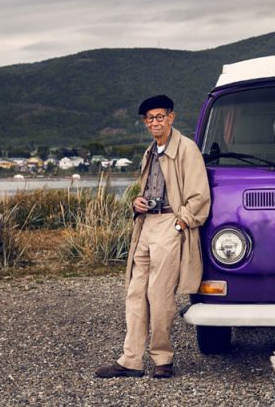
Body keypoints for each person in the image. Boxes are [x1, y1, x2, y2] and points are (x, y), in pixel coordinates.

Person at [95, 94, 211, 379]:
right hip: (146, 225)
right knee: (135, 294)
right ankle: (131, 360)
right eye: (150, 119)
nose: (155, 122)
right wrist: (137, 201)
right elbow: (149, 189)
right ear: (145, 123)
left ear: (171, 117)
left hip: (170, 225)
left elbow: (199, 197)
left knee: (160, 296)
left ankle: (163, 359)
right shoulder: (151, 151)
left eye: (160, 117)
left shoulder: (187, 149)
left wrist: (180, 224)